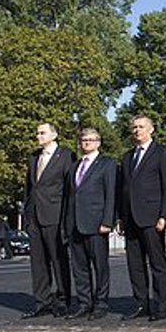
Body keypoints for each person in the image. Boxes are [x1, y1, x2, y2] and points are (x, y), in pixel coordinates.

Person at [118, 115, 166, 322]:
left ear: (151, 129)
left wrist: (163, 215)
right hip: (130, 218)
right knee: (135, 265)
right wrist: (121, 217)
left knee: (157, 263)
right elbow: (122, 188)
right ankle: (141, 303)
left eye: (141, 127)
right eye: (134, 127)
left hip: (152, 217)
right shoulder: (127, 157)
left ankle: (161, 305)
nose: (137, 130)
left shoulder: (162, 153)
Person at [63, 128, 117, 320]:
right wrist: (66, 224)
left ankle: (101, 303)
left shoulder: (107, 164)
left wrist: (107, 221)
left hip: (96, 224)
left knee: (100, 266)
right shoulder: (74, 166)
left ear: (98, 142)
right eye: (83, 140)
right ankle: (84, 303)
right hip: (74, 224)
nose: (86, 143)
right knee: (79, 268)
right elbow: (69, 197)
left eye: (91, 140)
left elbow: (111, 194)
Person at [23, 123, 75, 318]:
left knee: (58, 259)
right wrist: (27, 214)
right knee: (38, 262)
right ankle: (42, 301)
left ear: (54, 135)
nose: (38, 136)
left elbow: (70, 188)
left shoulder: (66, 155)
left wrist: (67, 218)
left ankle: (63, 300)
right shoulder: (33, 157)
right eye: (37, 133)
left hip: (55, 214)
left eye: (42, 133)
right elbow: (29, 188)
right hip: (34, 216)